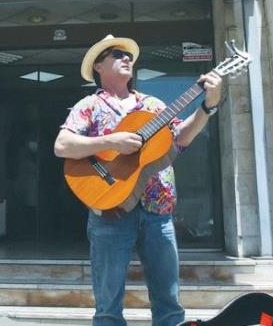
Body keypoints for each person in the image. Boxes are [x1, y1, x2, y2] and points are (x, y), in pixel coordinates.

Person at [53, 35, 223, 326]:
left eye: (128, 55)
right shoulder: (89, 105)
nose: (126, 58)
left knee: (169, 304)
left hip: (158, 213)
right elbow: (62, 145)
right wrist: (111, 141)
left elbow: (180, 138)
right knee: (107, 307)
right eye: (117, 53)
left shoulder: (153, 105)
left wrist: (208, 106)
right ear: (98, 66)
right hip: (110, 213)